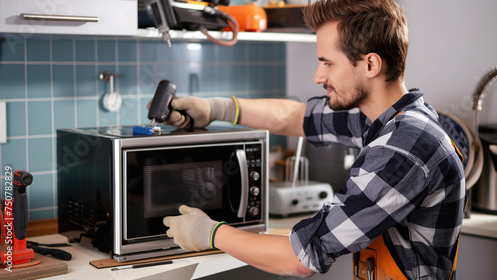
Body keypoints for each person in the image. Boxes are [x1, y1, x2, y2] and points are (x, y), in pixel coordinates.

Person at [158, 0, 466, 279]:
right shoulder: (386, 119)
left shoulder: (405, 146)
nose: (318, 77)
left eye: (328, 63)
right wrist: (215, 109)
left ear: (371, 65)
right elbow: (294, 117)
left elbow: (300, 257)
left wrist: (211, 234)